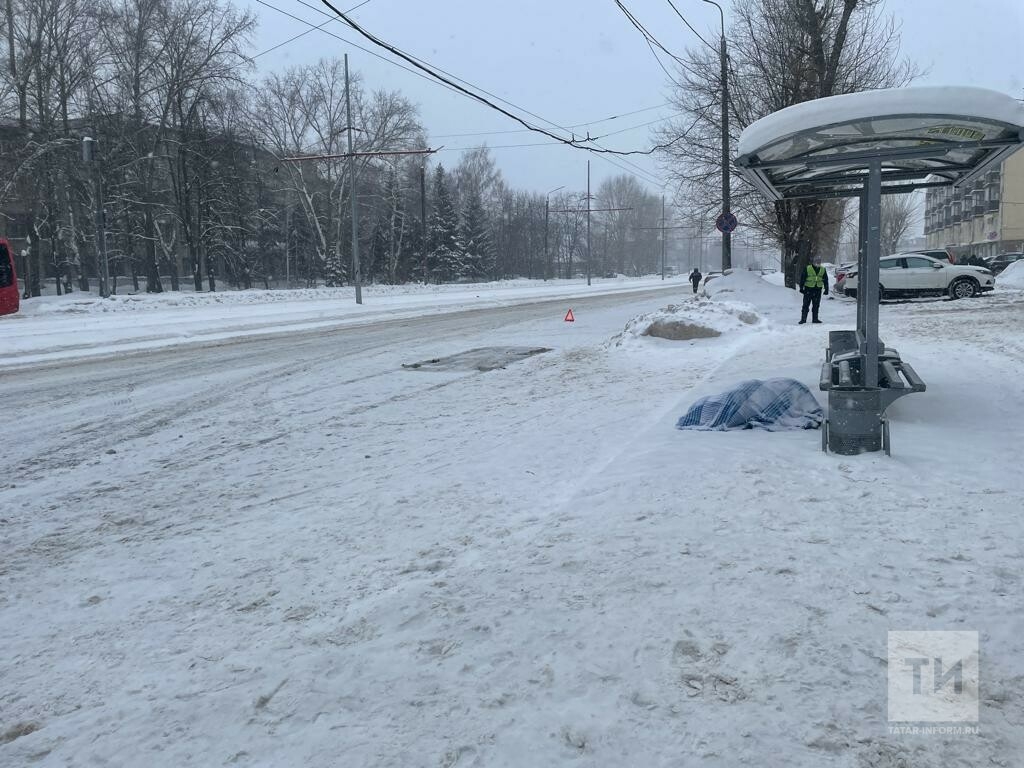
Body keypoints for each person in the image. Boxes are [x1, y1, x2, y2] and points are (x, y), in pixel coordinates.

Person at [799, 255, 829, 324]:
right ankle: (803, 319)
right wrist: (801, 287)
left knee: (816, 305)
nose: (818, 263)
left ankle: (815, 319)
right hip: (808, 289)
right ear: (813, 262)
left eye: (819, 262)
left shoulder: (823, 269)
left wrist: (826, 289)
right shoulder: (808, 268)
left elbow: (825, 280)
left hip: (818, 289)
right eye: (816, 261)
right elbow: (802, 278)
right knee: (806, 305)